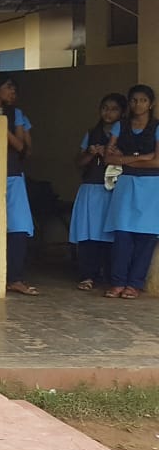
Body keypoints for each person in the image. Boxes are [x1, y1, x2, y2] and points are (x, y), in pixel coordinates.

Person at [102, 84, 159, 299]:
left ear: (151, 104)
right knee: (122, 234)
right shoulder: (121, 125)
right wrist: (143, 157)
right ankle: (118, 282)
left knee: (146, 237)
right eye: (134, 100)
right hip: (126, 184)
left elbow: (158, 162)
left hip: (151, 187)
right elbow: (108, 158)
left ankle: (134, 284)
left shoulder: (156, 127)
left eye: (143, 100)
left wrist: (125, 159)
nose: (138, 104)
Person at [68, 93, 125, 290]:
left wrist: (115, 154)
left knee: (110, 234)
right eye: (105, 108)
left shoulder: (125, 134)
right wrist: (90, 153)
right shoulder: (92, 133)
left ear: (122, 112)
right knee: (88, 233)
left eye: (114, 109)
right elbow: (79, 162)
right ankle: (87, 275)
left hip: (113, 190)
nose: (108, 113)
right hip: (91, 189)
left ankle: (108, 275)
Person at [0, 73, 38, 296]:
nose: (13, 92)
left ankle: (15, 278)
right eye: (8, 87)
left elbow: (22, 147)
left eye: (14, 89)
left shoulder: (16, 114)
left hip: (13, 175)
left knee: (19, 226)